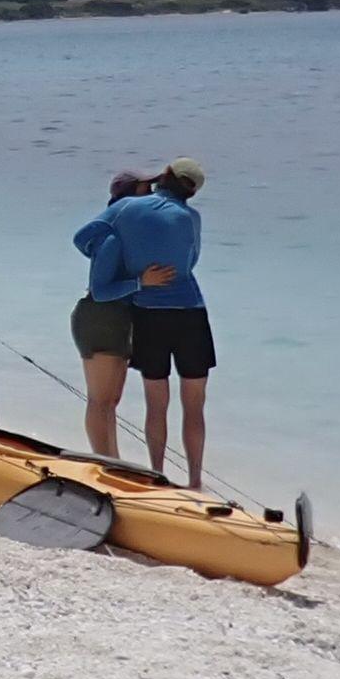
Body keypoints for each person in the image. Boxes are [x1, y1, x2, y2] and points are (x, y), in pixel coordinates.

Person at [73, 156, 213, 487]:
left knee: (154, 403)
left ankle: (157, 475)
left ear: (166, 175)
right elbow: (191, 260)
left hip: (148, 314)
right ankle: (194, 481)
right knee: (193, 405)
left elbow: (82, 237)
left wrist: (115, 256)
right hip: (190, 310)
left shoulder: (125, 212)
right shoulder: (192, 217)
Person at [68, 172, 177, 458]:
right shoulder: (113, 239)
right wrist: (142, 282)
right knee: (100, 400)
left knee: (111, 401)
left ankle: (112, 460)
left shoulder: (131, 236)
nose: (153, 196)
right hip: (100, 318)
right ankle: (105, 461)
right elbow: (101, 290)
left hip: (120, 319)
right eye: (147, 191)